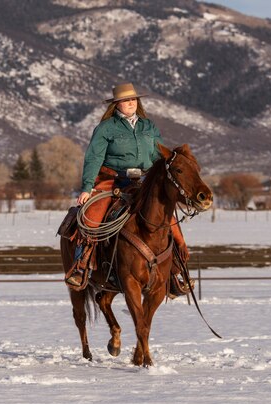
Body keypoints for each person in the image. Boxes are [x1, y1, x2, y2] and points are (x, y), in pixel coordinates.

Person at [65, 83, 190, 295]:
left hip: (144, 181)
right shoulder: (106, 128)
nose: (130, 103)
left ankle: (176, 270)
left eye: (133, 100)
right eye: (125, 100)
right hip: (113, 180)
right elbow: (94, 158)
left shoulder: (148, 126)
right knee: (92, 217)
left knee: (168, 219)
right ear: (116, 105)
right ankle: (82, 265)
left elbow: (159, 156)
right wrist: (87, 187)